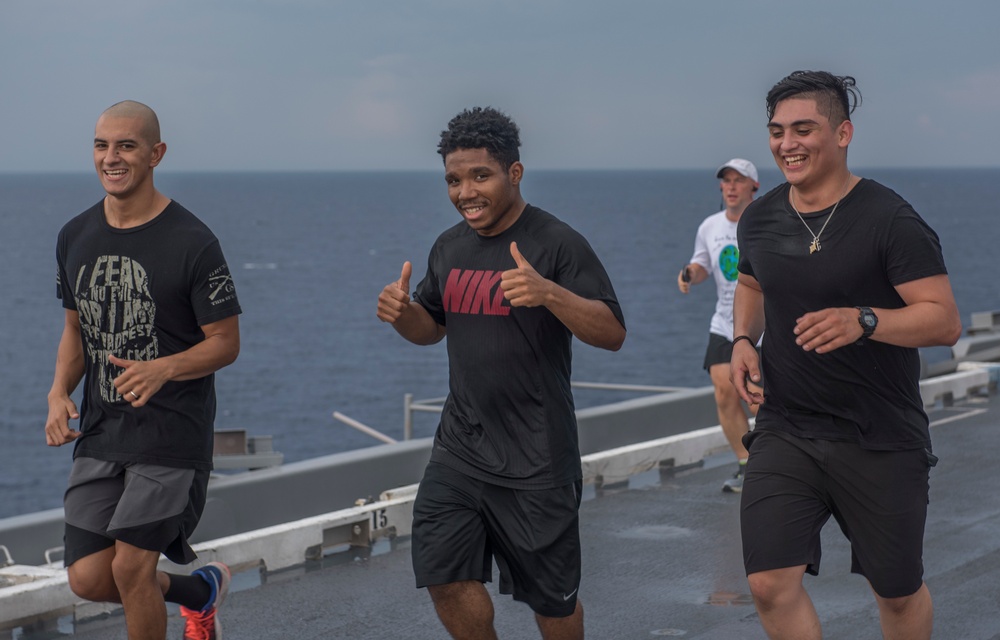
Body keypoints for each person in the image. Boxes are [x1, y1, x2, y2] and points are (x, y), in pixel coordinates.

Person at [377, 106, 626, 640]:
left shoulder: (557, 243)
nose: (465, 191)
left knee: (553, 605)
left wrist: (549, 293)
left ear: (514, 173)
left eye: (480, 176)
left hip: (538, 458)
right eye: (453, 179)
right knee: (443, 575)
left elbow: (612, 332)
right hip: (460, 449)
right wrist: (404, 316)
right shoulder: (449, 247)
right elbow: (432, 327)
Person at [730, 71, 962, 640]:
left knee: (897, 594)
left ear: (843, 133)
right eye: (778, 131)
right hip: (788, 426)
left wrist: (864, 320)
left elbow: (944, 320)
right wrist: (742, 340)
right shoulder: (759, 218)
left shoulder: (890, 219)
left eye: (804, 129)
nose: (788, 143)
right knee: (767, 583)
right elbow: (754, 284)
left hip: (880, 434)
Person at [44, 101, 242, 640]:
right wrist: (59, 392)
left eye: (126, 145)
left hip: (171, 432)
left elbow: (226, 344)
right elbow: (75, 331)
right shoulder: (74, 235)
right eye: (101, 145)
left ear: (155, 154)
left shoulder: (194, 242)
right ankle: (199, 592)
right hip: (103, 430)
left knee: (131, 569)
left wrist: (163, 369)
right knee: (89, 578)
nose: (111, 157)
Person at [677, 158, 761, 493]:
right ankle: (746, 464)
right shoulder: (709, 226)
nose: (730, 187)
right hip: (725, 322)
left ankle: (777, 463)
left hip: (764, 325)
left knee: (758, 400)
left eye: (738, 181)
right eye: (725, 181)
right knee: (725, 391)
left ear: (753, 186)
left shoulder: (765, 221)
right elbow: (701, 264)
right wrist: (688, 275)